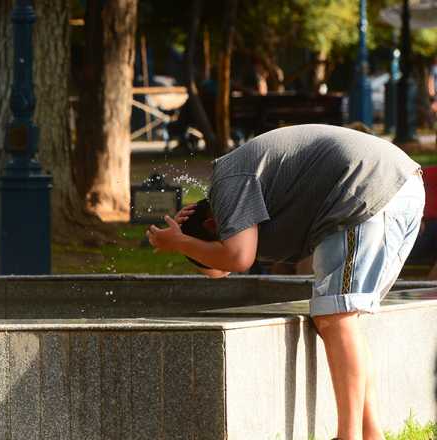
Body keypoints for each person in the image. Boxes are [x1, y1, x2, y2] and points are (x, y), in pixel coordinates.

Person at [146, 124, 423, 440]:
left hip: (364, 186)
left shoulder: (227, 182)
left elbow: (237, 258)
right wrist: (191, 240)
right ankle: (370, 433)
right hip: (395, 183)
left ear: (212, 222)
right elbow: (221, 269)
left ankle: (349, 437)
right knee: (341, 318)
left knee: (336, 316)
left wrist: (180, 243)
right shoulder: (235, 192)